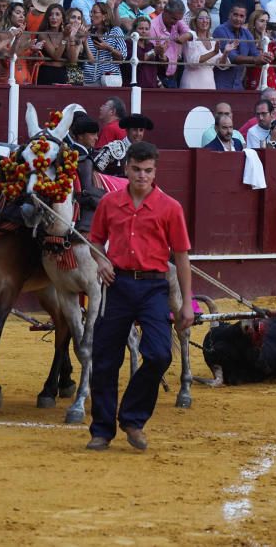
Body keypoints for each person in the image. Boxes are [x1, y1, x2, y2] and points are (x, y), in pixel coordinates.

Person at [86, 141, 194, 452]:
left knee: (160, 354)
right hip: (117, 284)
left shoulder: (170, 207)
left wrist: (188, 302)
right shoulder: (109, 203)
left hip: (153, 287)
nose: (141, 176)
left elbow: (182, 256)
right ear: (126, 168)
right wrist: (101, 259)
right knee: (106, 359)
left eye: (147, 171)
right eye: (136, 169)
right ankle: (102, 430)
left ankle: (132, 417)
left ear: (155, 171)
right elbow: (95, 241)